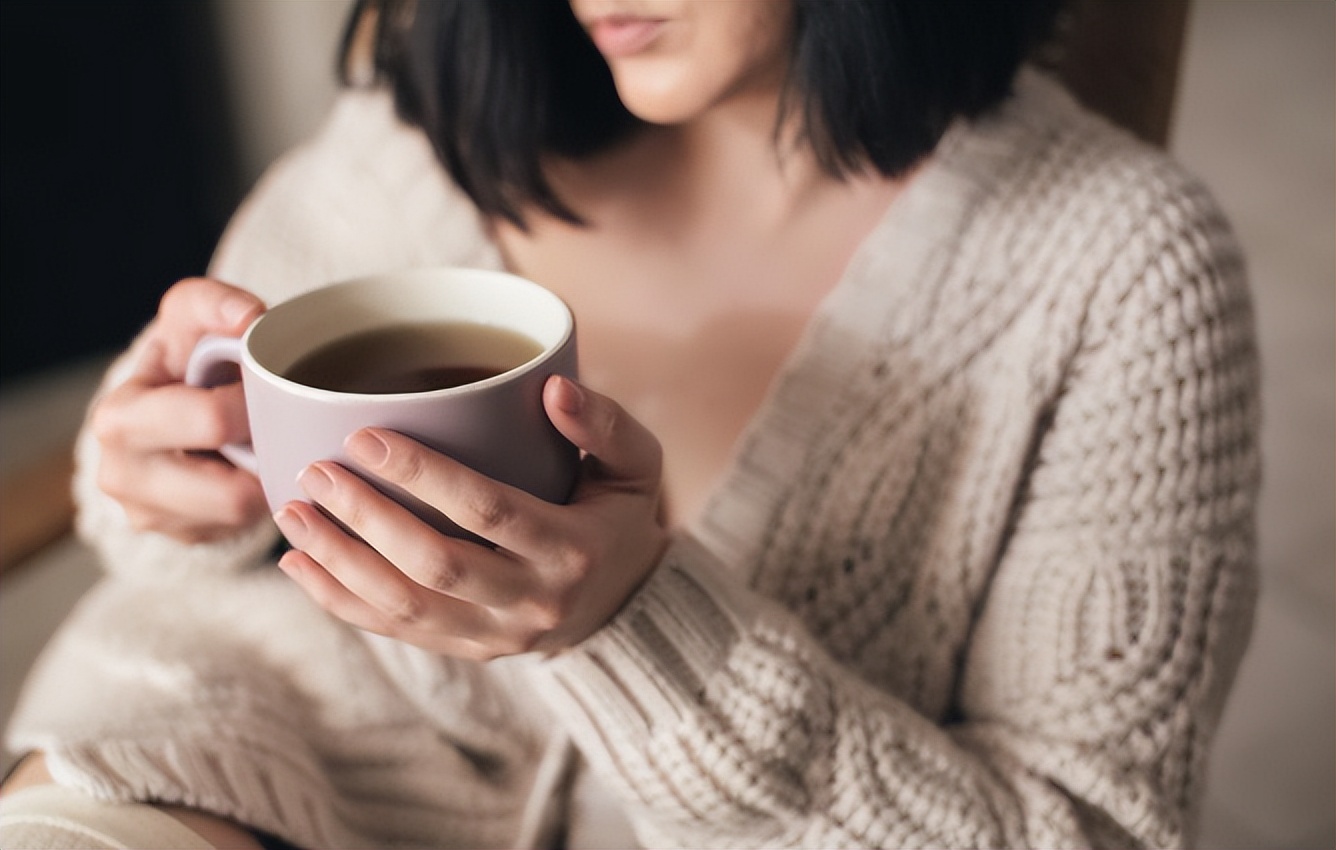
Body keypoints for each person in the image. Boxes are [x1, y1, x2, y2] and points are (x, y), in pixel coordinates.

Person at [0, 0, 1261, 848]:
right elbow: (205, 513)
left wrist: (639, 628)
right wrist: (148, 477)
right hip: (212, 751)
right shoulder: (411, 138)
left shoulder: (1122, 263)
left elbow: (1086, 826)